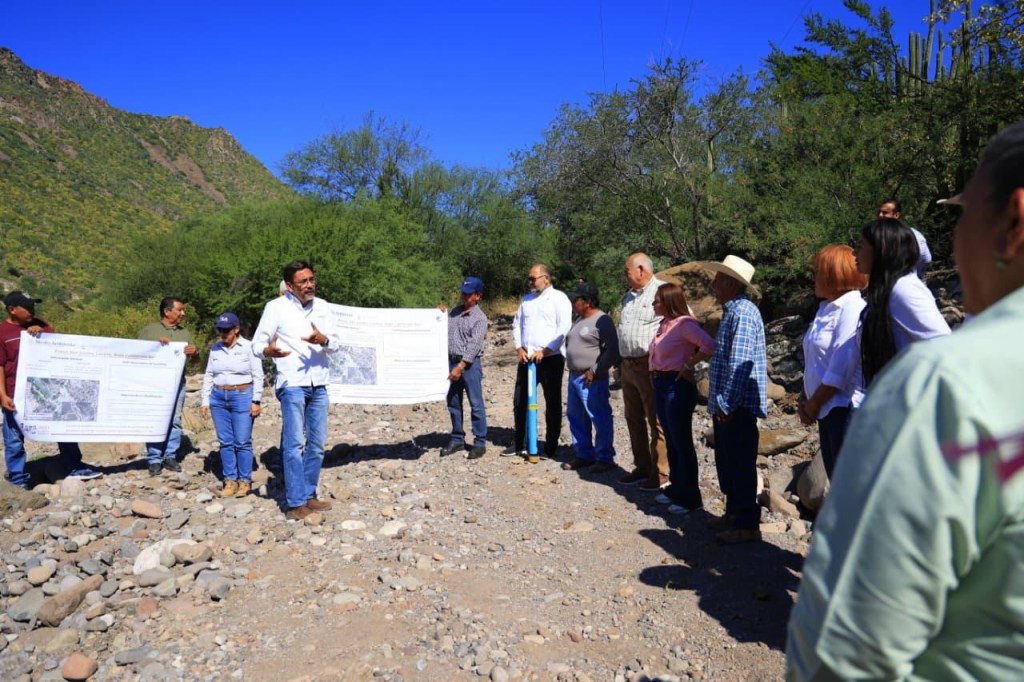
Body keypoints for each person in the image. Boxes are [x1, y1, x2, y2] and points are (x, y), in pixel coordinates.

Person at [786, 120, 1024, 682]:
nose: (945, 243)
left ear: (1014, 221)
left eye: (963, 216)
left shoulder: (948, 387)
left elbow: (847, 647)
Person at [252, 260, 338, 521]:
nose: (310, 284)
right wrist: (268, 351)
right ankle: (295, 502)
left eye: (312, 279)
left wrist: (323, 340)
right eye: (303, 281)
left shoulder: (323, 307)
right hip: (292, 383)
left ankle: (309, 493)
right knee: (293, 444)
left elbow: (336, 343)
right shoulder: (275, 308)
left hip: (319, 382)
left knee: (317, 444)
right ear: (290, 286)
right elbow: (257, 345)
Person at [1, 292, 101, 488]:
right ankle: (18, 481)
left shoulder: (42, 325)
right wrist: (3, 395)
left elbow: (58, 351)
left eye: (32, 306)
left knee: (63, 430)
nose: (32, 310)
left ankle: (74, 466)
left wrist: (43, 334)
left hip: (49, 393)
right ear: (12, 309)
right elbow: (1, 366)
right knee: (14, 440)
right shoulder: (2, 332)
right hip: (16, 395)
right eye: (27, 307)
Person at [704, 255, 768, 544]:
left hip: (737, 405)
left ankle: (746, 523)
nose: (714, 283)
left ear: (730, 283)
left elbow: (739, 364)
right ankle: (734, 514)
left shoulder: (742, 313)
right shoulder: (734, 310)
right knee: (729, 460)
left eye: (719, 279)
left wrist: (727, 404)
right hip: (729, 403)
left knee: (740, 463)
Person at [856, 218, 951, 388]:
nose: (854, 253)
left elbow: (943, 346)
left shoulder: (905, 290)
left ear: (880, 249)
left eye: (860, 245)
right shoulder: (887, 291)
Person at [798, 246, 867, 478]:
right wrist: (805, 398)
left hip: (843, 409)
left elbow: (842, 363)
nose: (814, 278)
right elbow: (814, 360)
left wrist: (814, 403)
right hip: (826, 409)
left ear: (834, 275)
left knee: (848, 488)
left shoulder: (852, 306)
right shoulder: (825, 308)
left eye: (818, 272)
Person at [648, 283, 715, 515]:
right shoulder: (665, 324)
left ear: (668, 301)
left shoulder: (685, 324)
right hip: (660, 383)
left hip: (676, 385)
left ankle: (690, 497)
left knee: (681, 441)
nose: (653, 304)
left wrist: (688, 365)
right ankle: (677, 488)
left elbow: (708, 345)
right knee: (671, 439)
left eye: (657, 300)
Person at [507, 263, 572, 464]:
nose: (530, 282)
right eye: (529, 279)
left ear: (546, 278)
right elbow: (517, 324)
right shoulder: (526, 300)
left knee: (552, 402)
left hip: (550, 359)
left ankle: (550, 446)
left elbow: (564, 328)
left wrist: (545, 350)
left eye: (533, 278)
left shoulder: (559, 298)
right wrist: (519, 347)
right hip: (527, 359)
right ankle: (520, 442)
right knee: (520, 401)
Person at [617, 252, 671, 491]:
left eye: (627, 271)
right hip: (627, 364)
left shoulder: (663, 291)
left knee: (656, 419)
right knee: (633, 417)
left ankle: (661, 472)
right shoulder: (627, 297)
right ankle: (642, 466)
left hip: (649, 364)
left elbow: (682, 320)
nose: (625, 275)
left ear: (641, 269)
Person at [200, 312, 264, 498]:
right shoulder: (215, 349)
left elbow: (258, 375)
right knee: (225, 441)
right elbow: (209, 375)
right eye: (220, 330)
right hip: (218, 397)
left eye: (226, 330)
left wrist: (256, 400)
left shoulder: (249, 347)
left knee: (242, 441)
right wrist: (205, 401)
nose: (223, 333)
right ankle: (230, 480)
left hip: (242, 395)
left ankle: (244, 481)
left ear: (236, 329)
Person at [562, 282, 620, 474]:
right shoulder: (579, 319)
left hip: (592, 378)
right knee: (576, 417)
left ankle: (604, 458)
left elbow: (612, 349)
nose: (573, 302)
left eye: (576, 299)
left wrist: (595, 370)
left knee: (599, 417)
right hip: (574, 377)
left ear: (587, 302)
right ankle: (583, 454)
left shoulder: (602, 320)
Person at [138, 296, 200, 476]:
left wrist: (195, 353)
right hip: (154, 383)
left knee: (174, 420)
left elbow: (194, 363)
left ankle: (170, 455)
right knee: (155, 418)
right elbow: (137, 355)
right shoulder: (148, 331)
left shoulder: (185, 333)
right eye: (179, 310)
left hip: (177, 383)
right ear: (167, 311)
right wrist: (155, 346)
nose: (183, 313)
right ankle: (154, 458)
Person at [440, 277, 489, 460]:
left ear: (477, 296)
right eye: (463, 293)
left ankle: (479, 442)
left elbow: (474, 346)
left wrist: (460, 366)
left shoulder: (479, 318)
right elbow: (441, 329)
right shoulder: (454, 312)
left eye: (468, 294)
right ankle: (457, 439)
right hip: (451, 363)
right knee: (453, 402)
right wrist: (440, 315)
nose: (464, 296)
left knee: (476, 404)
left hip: (469, 365)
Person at [878, 199, 932, 277]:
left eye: (885, 213)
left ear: (896, 215)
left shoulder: (912, 234)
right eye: (879, 212)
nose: (880, 215)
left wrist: (915, 272)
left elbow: (926, 258)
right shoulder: (877, 235)